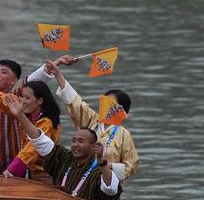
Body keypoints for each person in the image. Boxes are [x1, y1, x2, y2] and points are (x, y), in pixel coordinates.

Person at [8, 96, 121, 200]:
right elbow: (40, 141)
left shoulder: (99, 170)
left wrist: (102, 160)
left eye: (81, 141)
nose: (74, 145)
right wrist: (20, 115)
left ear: (94, 146)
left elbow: (111, 189)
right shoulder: (65, 159)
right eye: (73, 140)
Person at [28, 56, 139, 184]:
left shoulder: (124, 134)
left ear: (121, 110)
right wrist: (58, 74)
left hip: (106, 186)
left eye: (110, 103)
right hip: (81, 181)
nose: (104, 106)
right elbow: (75, 101)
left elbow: (132, 165)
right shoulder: (92, 121)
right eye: (104, 101)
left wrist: (109, 167)